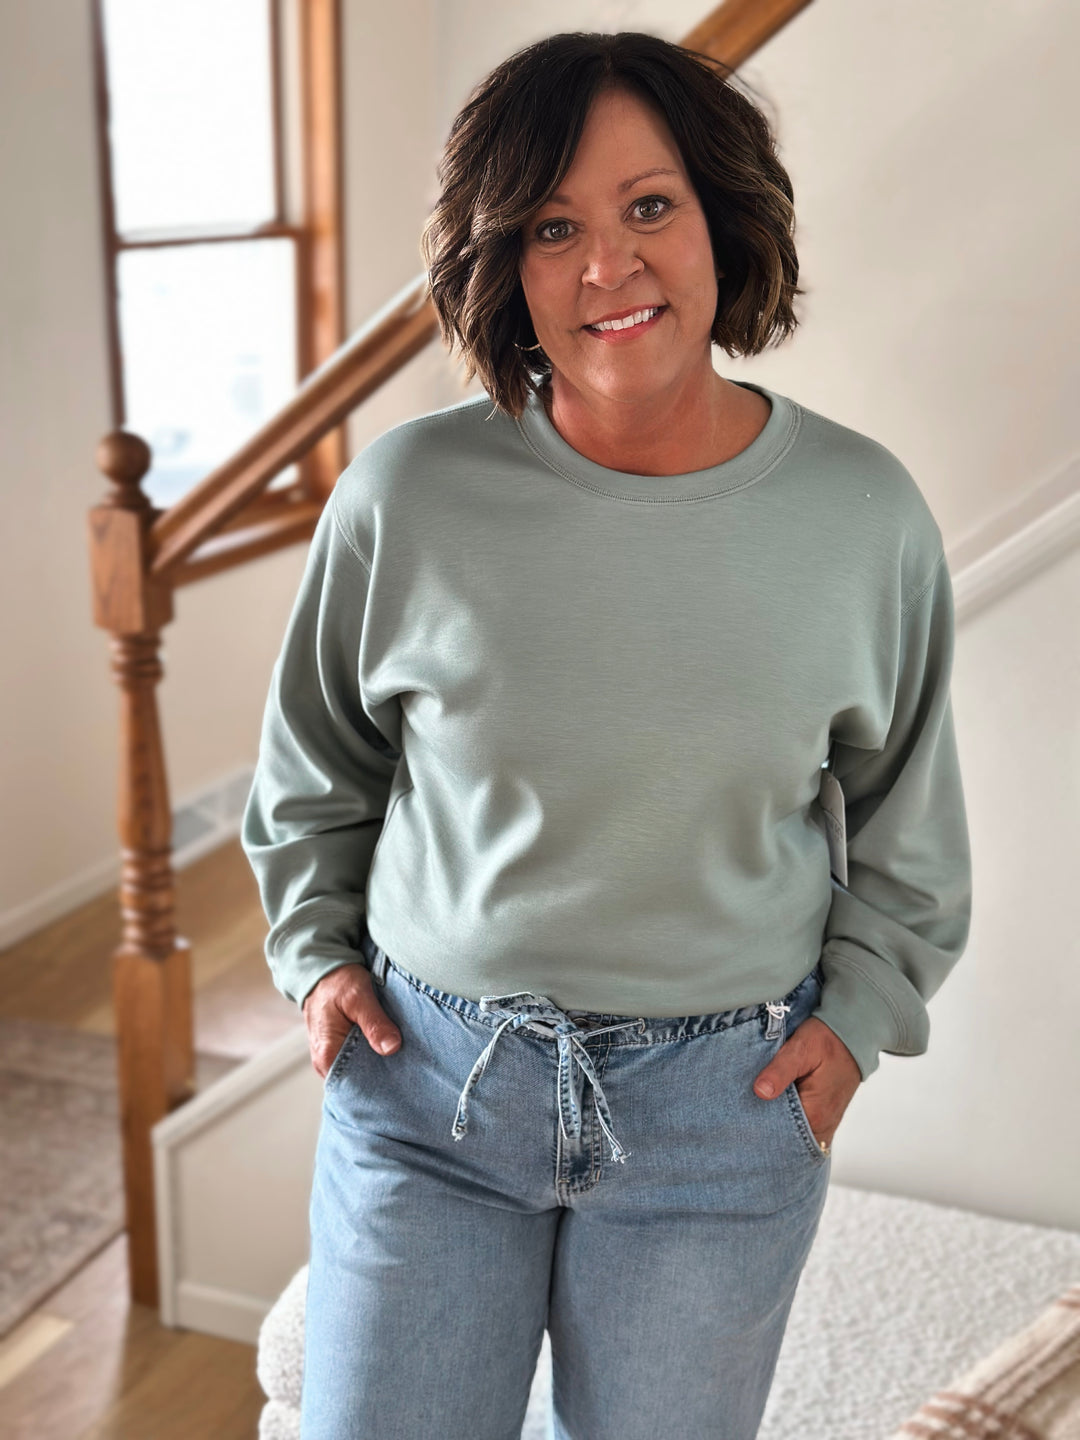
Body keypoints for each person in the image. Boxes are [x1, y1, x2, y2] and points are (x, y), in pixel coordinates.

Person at [241, 29, 972, 1440]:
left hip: (722, 1115)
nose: (606, 266)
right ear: (502, 266)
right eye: (552, 227)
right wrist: (314, 958)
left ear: (721, 218)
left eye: (650, 207)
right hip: (430, 1092)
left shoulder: (861, 515)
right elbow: (314, 764)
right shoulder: (407, 495)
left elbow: (905, 820)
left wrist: (858, 1026)